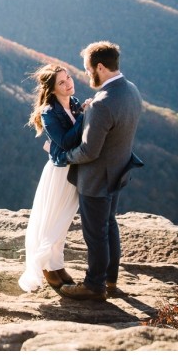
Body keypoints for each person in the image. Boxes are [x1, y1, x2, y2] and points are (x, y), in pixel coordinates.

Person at [56, 41, 143, 302]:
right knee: (109, 225)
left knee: (95, 234)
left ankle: (94, 286)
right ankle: (111, 280)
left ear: (101, 67)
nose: (86, 74)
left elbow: (89, 151)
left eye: (87, 69)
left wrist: (63, 157)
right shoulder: (130, 90)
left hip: (97, 178)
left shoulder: (101, 104)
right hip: (119, 171)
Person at [18, 63, 86, 294]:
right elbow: (65, 141)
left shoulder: (75, 104)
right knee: (53, 220)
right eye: (62, 82)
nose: (69, 84)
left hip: (75, 167)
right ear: (52, 89)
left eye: (68, 78)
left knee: (64, 220)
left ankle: (56, 264)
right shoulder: (48, 112)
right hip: (59, 171)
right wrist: (85, 118)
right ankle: (45, 266)